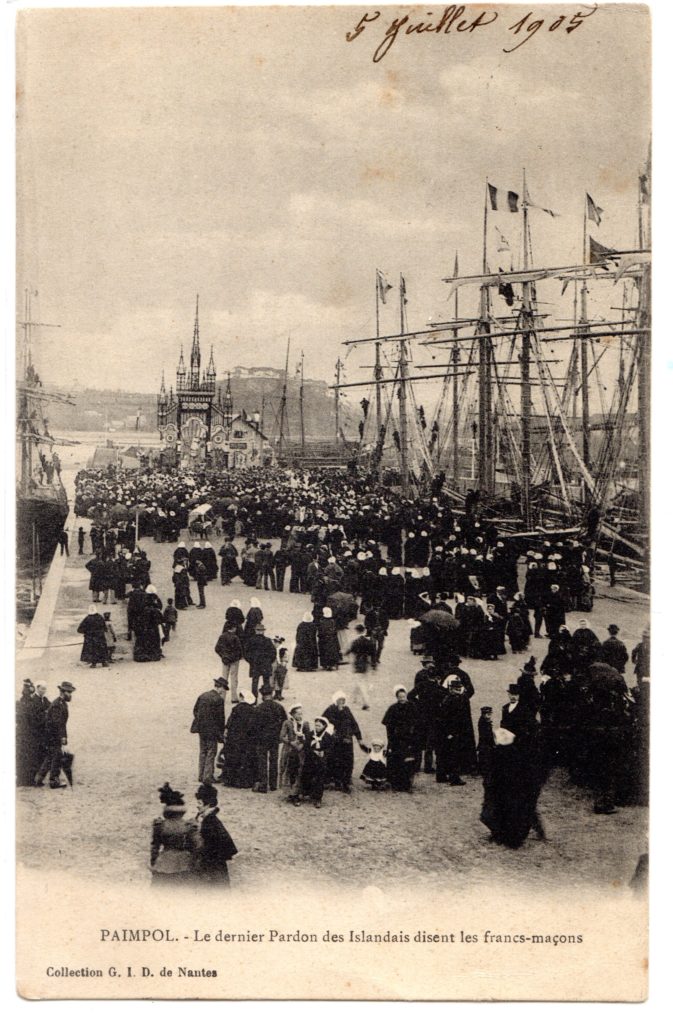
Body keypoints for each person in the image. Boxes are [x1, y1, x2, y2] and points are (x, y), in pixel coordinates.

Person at [150, 783, 199, 886]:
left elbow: (155, 847)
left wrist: (154, 862)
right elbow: (198, 845)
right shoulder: (188, 826)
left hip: (164, 863)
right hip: (184, 863)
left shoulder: (160, 825)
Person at [322, 691, 367, 792]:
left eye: (343, 700)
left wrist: (359, 738)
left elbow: (354, 724)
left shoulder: (347, 710)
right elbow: (322, 722)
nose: (341, 702)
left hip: (347, 740)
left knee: (347, 761)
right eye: (339, 700)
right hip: (335, 741)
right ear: (335, 700)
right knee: (335, 760)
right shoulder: (330, 709)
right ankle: (336, 781)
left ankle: (346, 782)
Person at [194, 783, 238, 885]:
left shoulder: (209, 823)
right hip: (218, 863)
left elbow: (207, 848)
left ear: (208, 805)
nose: (197, 805)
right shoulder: (210, 818)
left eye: (199, 803)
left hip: (213, 865)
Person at [35, 681, 76, 789]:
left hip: (51, 735)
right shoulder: (58, 705)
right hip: (52, 735)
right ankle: (54, 781)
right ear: (62, 692)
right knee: (57, 756)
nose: (70, 695)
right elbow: (57, 724)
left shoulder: (61, 703)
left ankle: (38, 779)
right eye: (69, 692)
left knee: (50, 757)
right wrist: (62, 738)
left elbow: (61, 723)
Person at [382, 687, 420, 792]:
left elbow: (417, 722)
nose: (402, 699)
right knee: (396, 760)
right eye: (400, 697)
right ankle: (396, 784)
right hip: (396, 738)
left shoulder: (412, 707)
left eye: (404, 696)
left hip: (409, 738)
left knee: (408, 760)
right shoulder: (393, 708)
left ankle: (407, 784)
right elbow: (387, 724)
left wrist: (414, 735)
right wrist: (391, 736)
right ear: (397, 697)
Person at [218, 691, 258, 788]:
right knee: (245, 759)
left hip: (234, 738)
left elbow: (229, 723)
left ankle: (230, 780)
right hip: (247, 739)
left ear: (241, 698)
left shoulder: (236, 709)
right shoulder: (252, 710)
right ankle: (245, 781)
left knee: (233, 758)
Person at [251, 685, 287, 793]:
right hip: (274, 738)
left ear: (262, 695)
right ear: (271, 694)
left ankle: (263, 784)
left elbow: (253, 725)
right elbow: (284, 722)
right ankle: (273, 785)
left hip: (261, 739)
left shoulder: (258, 708)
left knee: (262, 761)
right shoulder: (279, 707)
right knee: (273, 760)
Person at [192, 678, 227, 785]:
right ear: (220, 687)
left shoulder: (203, 695)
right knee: (211, 752)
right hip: (212, 730)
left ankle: (201, 775)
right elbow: (220, 718)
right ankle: (208, 776)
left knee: (203, 751)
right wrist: (221, 733)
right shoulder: (219, 700)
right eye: (223, 688)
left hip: (201, 728)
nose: (223, 691)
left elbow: (195, 710)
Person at [298, 717, 334, 808]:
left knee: (319, 779)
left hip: (321, 761)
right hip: (310, 759)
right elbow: (305, 747)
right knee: (306, 776)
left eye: (319, 726)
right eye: (316, 725)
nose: (317, 727)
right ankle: (302, 795)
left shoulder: (327, 737)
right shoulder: (310, 734)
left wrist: (324, 752)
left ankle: (318, 798)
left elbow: (331, 749)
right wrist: (313, 751)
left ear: (324, 726)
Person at [279, 703, 311, 803]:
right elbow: (282, 736)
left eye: (301, 714)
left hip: (300, 751)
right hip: (289, 749)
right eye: (298, 714)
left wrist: (303, 743)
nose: (300, 716)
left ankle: (296, 793)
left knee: (299, 771)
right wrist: (290, 742)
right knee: (288, 769)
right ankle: (289, 792)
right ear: (292, 714)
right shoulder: (287, 723)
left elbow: (308, 737)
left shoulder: (305, 724)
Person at [16, 680, 44, 786]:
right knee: (30, 756)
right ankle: (28, 780)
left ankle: (22, 779)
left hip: (21, 733)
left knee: (22, 756)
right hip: (29, 734)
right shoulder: (31, 704)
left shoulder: (19, 703)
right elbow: (34, 720)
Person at [244, 624, 277, 701]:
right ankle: (267, 698)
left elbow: (246, 653)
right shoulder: (267, 640)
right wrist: (269, 661)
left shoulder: (250, 640)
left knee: (254, 683)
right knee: (266, 682)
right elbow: (273, 653)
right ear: (263, 631)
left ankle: (254, 699)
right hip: (266, 665)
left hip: (255, 665)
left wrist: (251, 661)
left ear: (255, 631)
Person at [215, 624, 244, 703]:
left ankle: (222, 697)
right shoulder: (235, 638)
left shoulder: (222, 637)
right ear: (233, 628)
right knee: (234, 678)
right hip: (234, 661)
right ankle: (234, 697)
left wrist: (223, 656)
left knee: (224, 678)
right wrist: (236, 657)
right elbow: (239, 650)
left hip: (225, 660)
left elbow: (217, 648)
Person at [317, 606, 341, 671]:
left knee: (324, 651)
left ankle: (325, 664)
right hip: (332, 639)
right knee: (332, 651)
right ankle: (333, 663)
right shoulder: (332, 621)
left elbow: (320, 631)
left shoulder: (321, 621)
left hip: (323, 639)